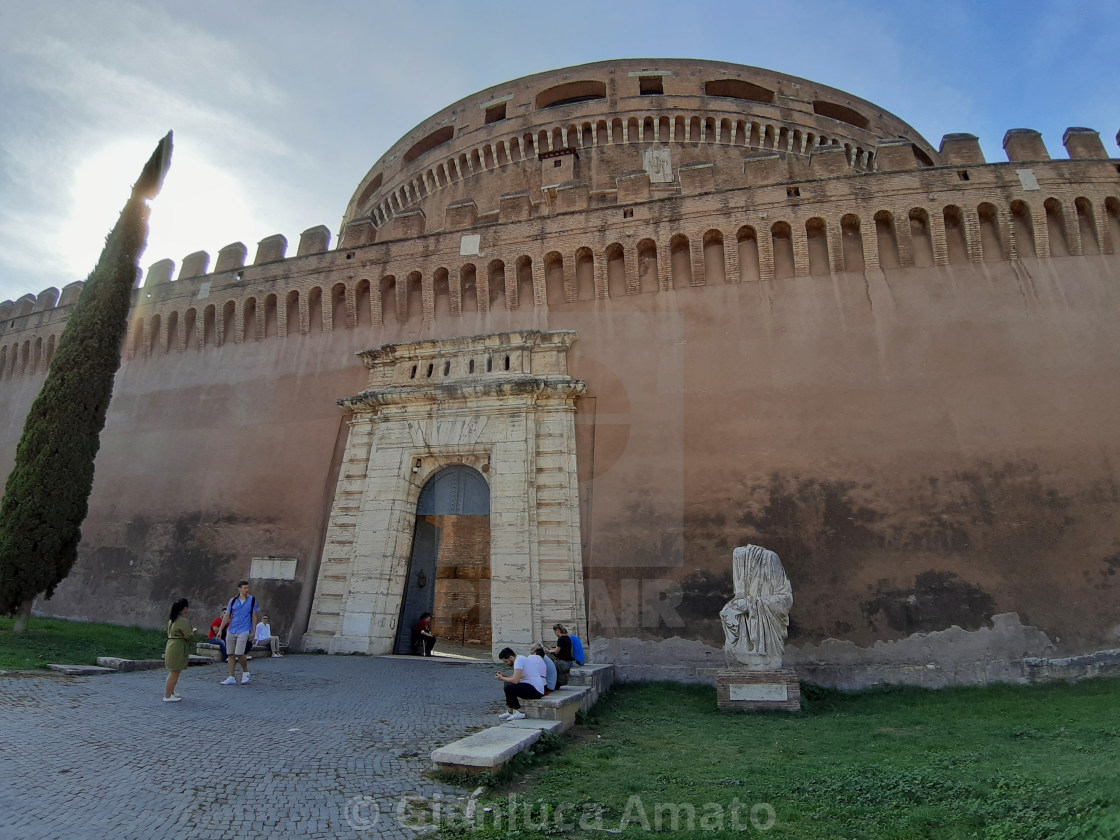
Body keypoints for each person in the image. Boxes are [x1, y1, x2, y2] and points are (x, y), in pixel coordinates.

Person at [719, 544, 794, 670]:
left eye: (740, 565)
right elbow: (739, 597)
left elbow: (786, 599)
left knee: (772, 664)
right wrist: (735, 607)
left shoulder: (770, 559)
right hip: (747, 622)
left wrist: (749, 604)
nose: (738, 576)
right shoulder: (740, 559)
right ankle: (742, 657)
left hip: (768, 628)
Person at [217, 580, 259, 685]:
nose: (247, 590)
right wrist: (221, 629)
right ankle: (231, 676)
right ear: (239, 589)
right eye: (245, 588)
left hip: (244, 629)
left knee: (240, 653)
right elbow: (227, 615)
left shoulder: (252, 600)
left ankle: (245, 672)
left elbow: (254, 616)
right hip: (232, 629)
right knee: (230, 654)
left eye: (248, 588)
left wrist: (254, 630)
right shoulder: (233, 600)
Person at [494, 646, 546, 720]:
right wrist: (503, 676)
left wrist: (502, 678)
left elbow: (515, 680)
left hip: (536, 690)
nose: (506, 663)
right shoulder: (520, 659)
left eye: (506, 661)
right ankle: (510, 711)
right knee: (507, 684)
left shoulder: (519, 661)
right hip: (532, 687)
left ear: (511, 657)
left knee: (509, 687)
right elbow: (514, 677)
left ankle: (518, 711)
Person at [163, 598, 195, 702]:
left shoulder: (172, 620)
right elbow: (188, 636)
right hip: (178, 647)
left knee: (175, 671)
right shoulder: (183, 621)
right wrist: (193, 632)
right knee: (174, 672)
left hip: (172, 645)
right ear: (185, 608)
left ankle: (171, 691)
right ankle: (168, 695)